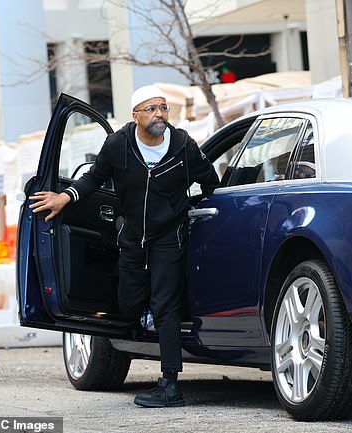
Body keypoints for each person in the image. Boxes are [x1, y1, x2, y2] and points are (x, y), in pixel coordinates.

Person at [29, 85, 220, 408]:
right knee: (128, 303)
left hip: (168, 238)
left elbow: (210, 180)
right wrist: (65, 197)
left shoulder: (183, 145)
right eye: (151, 109)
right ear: (135, 116)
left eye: (163, 108)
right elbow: (93, 178)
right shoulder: (118, 144)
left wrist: (197, 209)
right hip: (131, 236)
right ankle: (143, 316)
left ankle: (169, 384)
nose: (159, 114)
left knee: (166, 305)